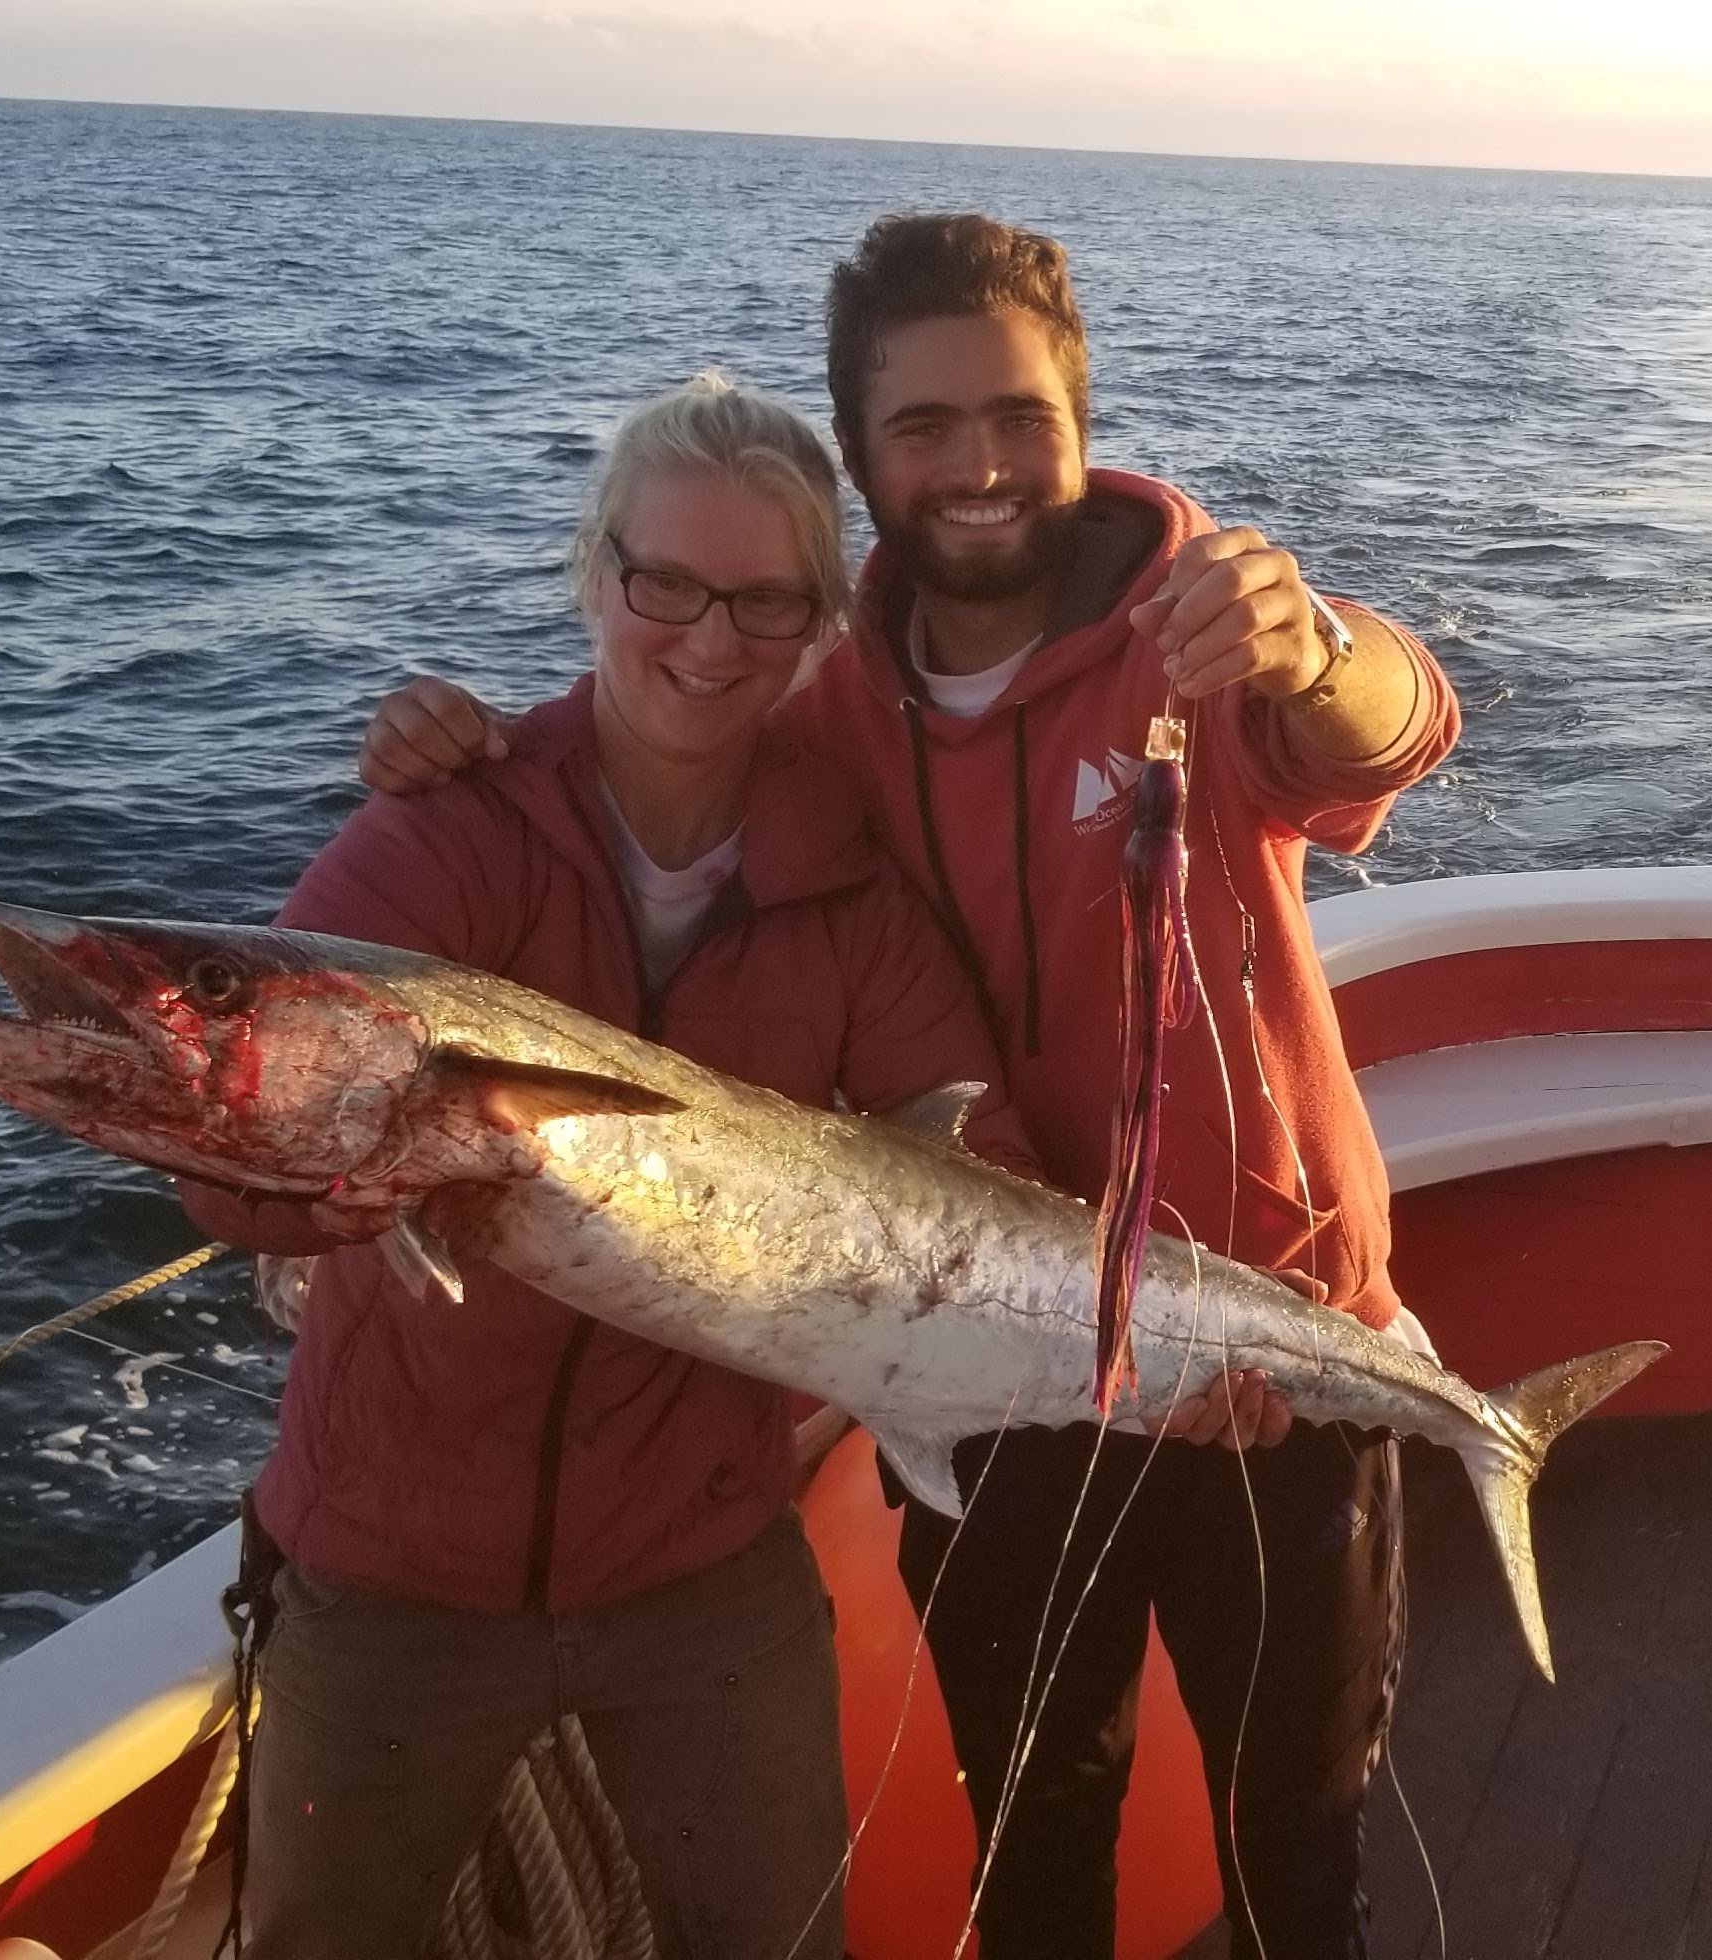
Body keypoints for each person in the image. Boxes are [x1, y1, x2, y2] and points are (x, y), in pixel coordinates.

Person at [356, 214, 1459, 1959]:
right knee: (1031, 1840)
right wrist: (457, 749)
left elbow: (1389, 730)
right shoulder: (822, 705)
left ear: (1081, 417)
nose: (979, 465)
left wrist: (1318, 642)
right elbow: (654, 794)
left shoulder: (1204, 639)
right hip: (978, 1355)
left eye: (1016, 415)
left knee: (1297, 1856)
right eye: (922, 427)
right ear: (861, 454)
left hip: (1262, 1347)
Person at [190, 372, 1035, 1959]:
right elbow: (230, 1178)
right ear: (597, 572)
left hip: (702, 1561)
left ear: (819, 627)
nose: (710, 644)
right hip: (388, 1562)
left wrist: (1135, 1338)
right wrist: (330, 1170)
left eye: (766, 603)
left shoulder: (844, 881)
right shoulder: (442, 837)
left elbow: (988, 1157)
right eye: (667, 585)